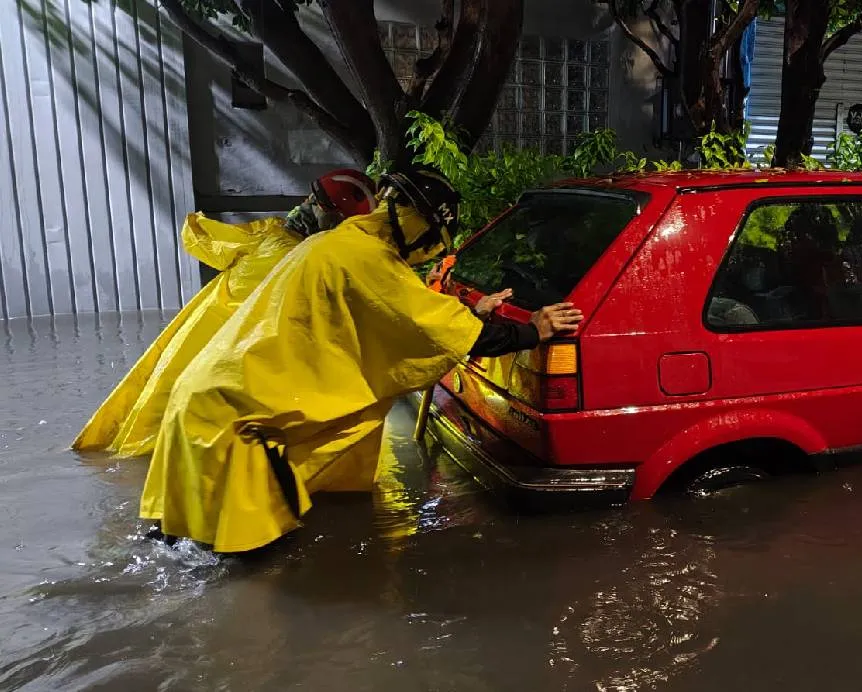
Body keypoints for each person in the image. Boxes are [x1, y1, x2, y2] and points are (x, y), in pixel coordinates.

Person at [139, 166, 583, 553]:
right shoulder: (366, 260)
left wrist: (469, 313)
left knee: (183, 556)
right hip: (237, 426)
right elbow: (439, 329)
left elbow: (398, 316)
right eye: (431, 237)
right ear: (413, 222)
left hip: (205, 406)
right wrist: (533, 329)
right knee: (246, 577)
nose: (428, 250)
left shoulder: (338, 245)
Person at [73, 169, 378, 457]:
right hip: (225, 371)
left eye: (311, 199)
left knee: (151, 433)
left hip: (191, 353)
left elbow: (202, 238)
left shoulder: (266, 237)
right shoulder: (310, 261)